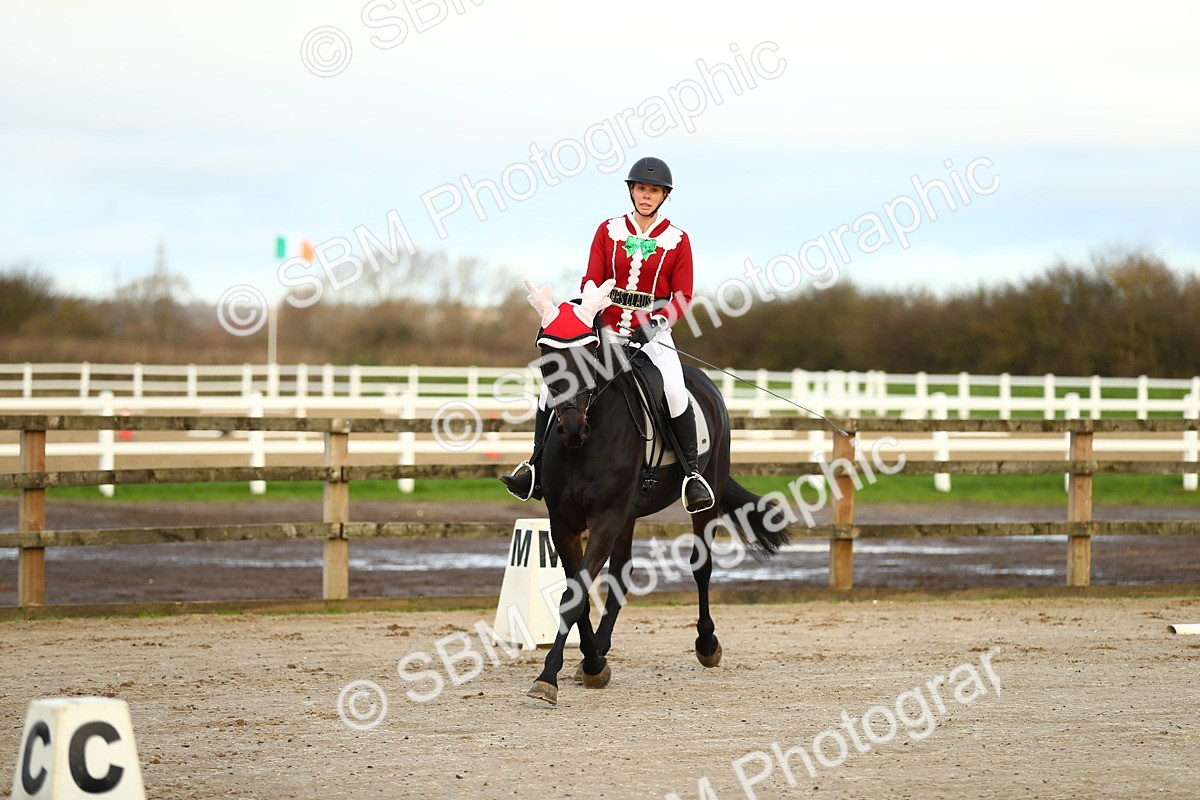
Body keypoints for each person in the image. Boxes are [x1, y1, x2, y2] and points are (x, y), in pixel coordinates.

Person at [502, 156, 715, 513]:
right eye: (642, 189)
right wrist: (591, 309)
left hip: (652, 333)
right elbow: (591, 277)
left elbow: (683, 296)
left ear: (664, 196)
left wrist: (658, 323)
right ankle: (535, 467)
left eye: (655, 191)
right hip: (605, 328)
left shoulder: (678, 240)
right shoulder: (608, 230)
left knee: (677, 391)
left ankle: (692, 476)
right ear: (632, 191)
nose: (647, 196)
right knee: (551, 386)